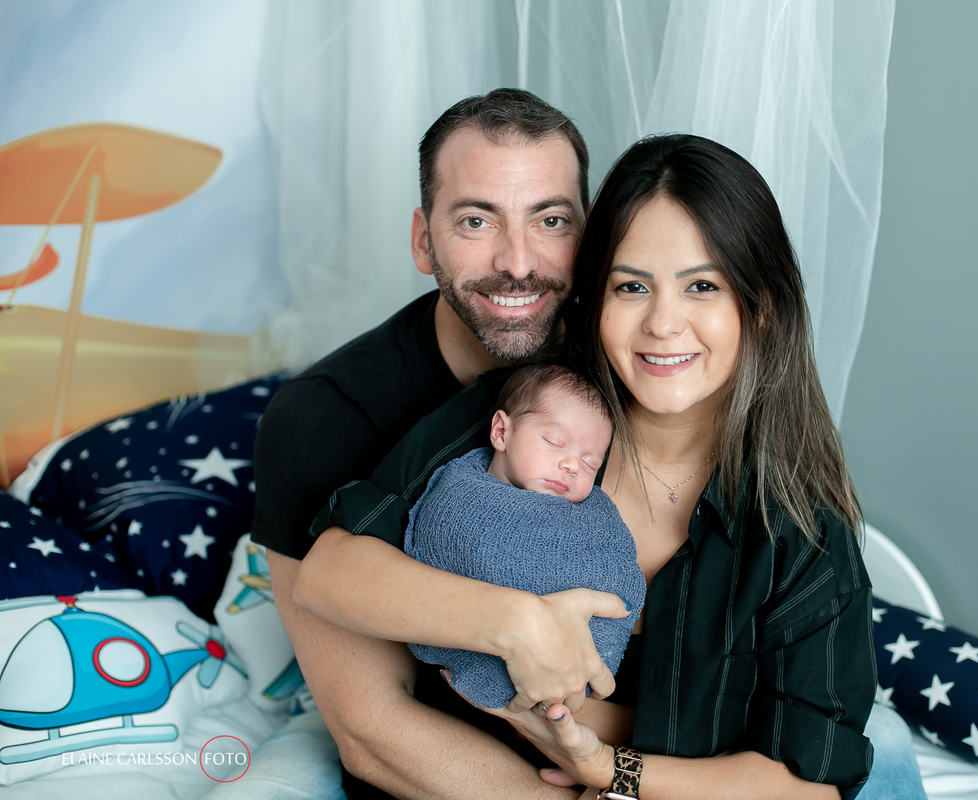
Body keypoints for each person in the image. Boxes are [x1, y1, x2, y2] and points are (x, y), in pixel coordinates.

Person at [295, 134, 880, 799]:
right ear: (596, 301)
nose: (663, 323)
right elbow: (330, 573)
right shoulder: (533, 412)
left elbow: (811, 785)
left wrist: (608, 768)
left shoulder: (802, 536)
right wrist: (516, 624)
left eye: (702, 286)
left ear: (761, 307)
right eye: (632, 286)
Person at [249, 88, 622, 799]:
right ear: (424, 240)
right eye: (476, 220)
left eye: (550, 220)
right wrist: (514, 624)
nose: (519, 262)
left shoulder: (629, 365)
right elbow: (372, 728)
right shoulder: (321, 419)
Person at [403, 362, 645, 710]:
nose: (572, 466)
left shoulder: (591, 517)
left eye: (590, 463)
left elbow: (616, 572)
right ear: (501, 431)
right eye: (554, 442)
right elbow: (442, 546)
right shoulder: (462, 497)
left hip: (572, 689)